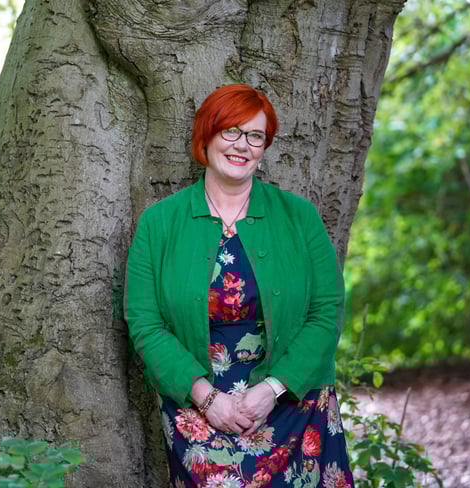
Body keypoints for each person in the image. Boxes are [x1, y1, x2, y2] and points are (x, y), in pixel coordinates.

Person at [124, 84, 354, 487]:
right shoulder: (159, 223)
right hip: (198, 407)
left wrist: (272, 389)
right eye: (230, 130)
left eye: (255, 136)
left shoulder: (299, 216)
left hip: (293, 401)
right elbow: (145, 323)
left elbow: (326, 311)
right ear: (206, 135)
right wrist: (207, 399)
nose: (241, 145)